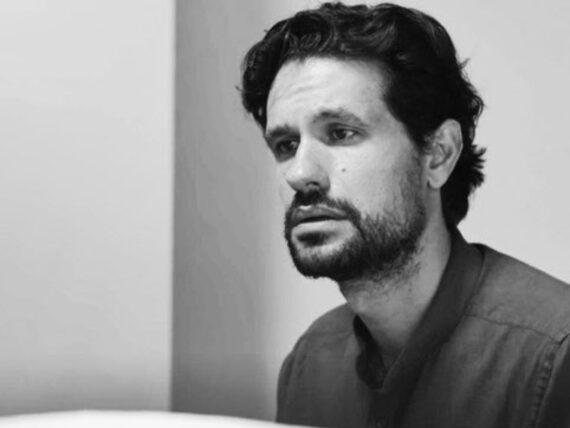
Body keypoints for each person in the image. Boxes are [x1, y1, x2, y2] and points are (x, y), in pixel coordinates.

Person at [240, 3, 570, 427]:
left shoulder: (555, 356)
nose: (300, 174)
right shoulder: (310, 364)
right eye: (286, 145)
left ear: (438, 155)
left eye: (341, 133)